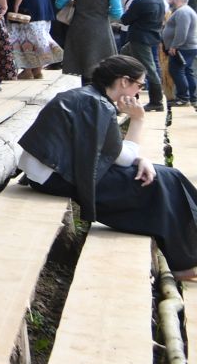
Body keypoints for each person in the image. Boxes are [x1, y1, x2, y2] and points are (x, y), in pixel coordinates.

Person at [17, 54, 197, 279]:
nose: (138, 93)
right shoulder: (97, 104)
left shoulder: (90, 97)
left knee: (170, 175)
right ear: (124, 81)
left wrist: (141, 160)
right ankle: (184, 262)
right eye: (139, 85)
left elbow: (112, 153)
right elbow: (121, 158)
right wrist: (138, 120)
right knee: (158, 183)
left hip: (52, 170)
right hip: (54, 177)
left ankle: (185, 258)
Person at [55, 0, 121, 79]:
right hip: (101, 29)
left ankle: (85, 92)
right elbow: (117, 13)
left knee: (82, 64)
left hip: (77, 28)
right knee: (101, 65)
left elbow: (59, 3)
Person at [120, 0, 168, 110]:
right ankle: (128, 91)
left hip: (140, 38)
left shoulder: (140, 2)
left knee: (150, 70)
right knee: (124, 56)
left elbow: (125, 19)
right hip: (151, 35)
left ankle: (156, 102)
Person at [165, 0, 197, 107]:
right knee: (187, 71)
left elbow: (182, 31)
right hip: (186, 46)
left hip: (183, 47)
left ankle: (183, 98)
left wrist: (175, 45)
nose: (169, 0)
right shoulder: (184, 10)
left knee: (177, 70)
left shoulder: (183, 12)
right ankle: (191, 98)